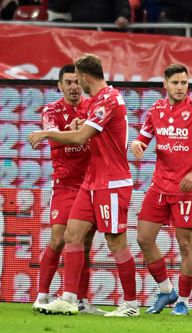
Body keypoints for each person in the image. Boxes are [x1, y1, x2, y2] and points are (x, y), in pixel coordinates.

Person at [28, 53, 138, 317]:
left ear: (86, 77)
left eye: (79, 79)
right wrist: (78, 122)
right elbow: (84, 126)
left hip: (111, 181)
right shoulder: (97, 100)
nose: (78, 85)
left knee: (115, 243)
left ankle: (131, 304)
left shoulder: (109, 99)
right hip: (90, 182)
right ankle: (69, 298)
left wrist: (45, 133)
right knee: (72, 235)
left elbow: (81, 136)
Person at [131, 64, 192, 316]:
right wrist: (136, 144)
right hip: (159, 186)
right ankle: (167, 290)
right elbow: (143, 139)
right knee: (143, 239)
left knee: (186, 246)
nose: (180, 87)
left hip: (184, 189)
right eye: (176, 83)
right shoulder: (155, 110)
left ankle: (184, 302)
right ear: (165, 85)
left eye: (184, 82)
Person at [32, 64, 105, 315]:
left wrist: (83, 128)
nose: (74, 87)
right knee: (59, 238)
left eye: (77, 82)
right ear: (60, 86)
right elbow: (51, 138)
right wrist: (70, 130)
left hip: (90, 183)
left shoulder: (93, 106)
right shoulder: (51, 110)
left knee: (84, 243)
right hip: (64, 183)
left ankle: (81, 301)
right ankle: (42, 295)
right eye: (69, 82)